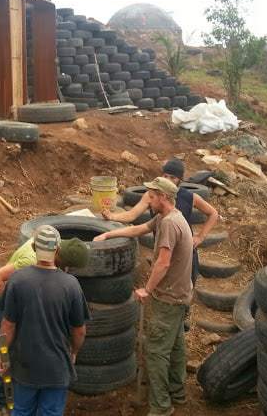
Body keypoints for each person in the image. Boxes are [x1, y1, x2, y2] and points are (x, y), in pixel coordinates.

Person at [94, 177, 193, 416]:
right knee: (176, 345)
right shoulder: (169, 217)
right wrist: (108, 235)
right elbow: (140, 229)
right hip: (182, 295)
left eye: (151, 195)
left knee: (156, 351)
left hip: (168, 298)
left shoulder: (170, 224)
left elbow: (163, 261)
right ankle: (177, 392)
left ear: (163, 197)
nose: (147, 199)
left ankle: (161, 406)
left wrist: (146, 289)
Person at [0, 236, 90, 416]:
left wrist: (4, 355)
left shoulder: (21, 276)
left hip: (25, 366)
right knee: (50, 411)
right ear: (57, 252)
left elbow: (8, 325)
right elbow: (79, 331)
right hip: (56, 369)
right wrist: (73, 352)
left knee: (22, 409)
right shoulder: (70, 284)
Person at [102, 159, 219, 286]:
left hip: (184, 255)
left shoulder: (190, 197)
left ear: (180, 180)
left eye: (172, 178)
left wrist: (200, 237)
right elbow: (132, 215)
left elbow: (213, 213)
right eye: (165, 176)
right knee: (162, 284)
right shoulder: (152, 196)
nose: (168, 180)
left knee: (183, 289)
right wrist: (112, 216)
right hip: (163, 250)